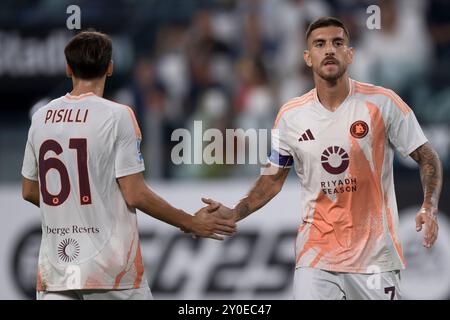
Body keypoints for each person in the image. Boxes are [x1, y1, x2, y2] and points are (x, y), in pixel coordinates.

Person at [203, 17, 442, 300]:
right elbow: (272, 180)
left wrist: (429, 206)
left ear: (350, 54)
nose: (329, 49)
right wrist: (235, 211)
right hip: (316, 257)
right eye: (320, 44)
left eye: (337, 43)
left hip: (374, 259)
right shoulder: (290, 116)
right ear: (307, 57)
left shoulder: (383, 103)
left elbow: (427, 156)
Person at [21, 31, 235, 300]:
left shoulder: (41, 117)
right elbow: (135, 193)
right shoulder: (117, 115)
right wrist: (189, 222)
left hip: (56, 271)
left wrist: (74, 207)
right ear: (110, 67)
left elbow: (29, 190)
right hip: (110, 272)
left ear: (67, 68)